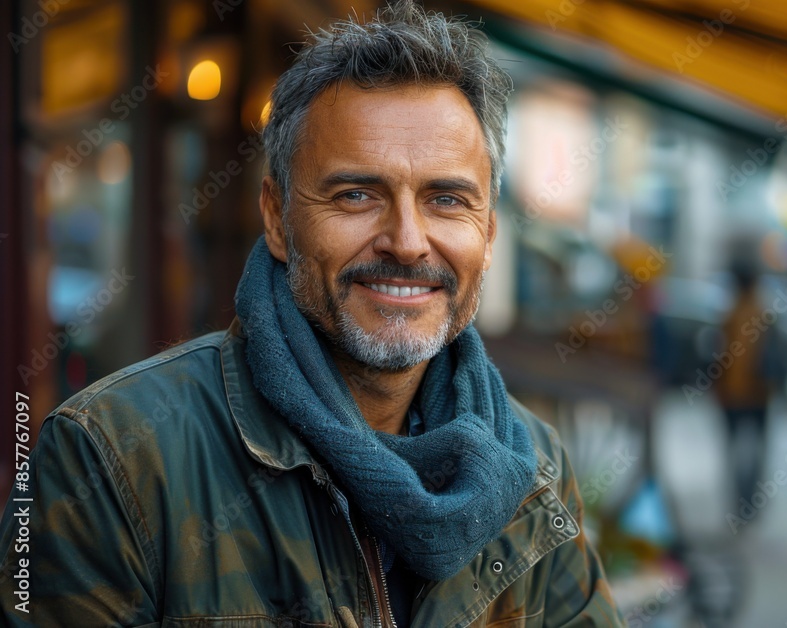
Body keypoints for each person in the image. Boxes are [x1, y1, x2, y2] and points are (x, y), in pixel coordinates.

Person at [0, 3, 623, 625]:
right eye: (356, 195)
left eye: (445, 199)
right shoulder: (111, 458)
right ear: (276, 217)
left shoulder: (533, 468)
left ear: (487, 234)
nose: (406, 241)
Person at [716, 269, 771, 513]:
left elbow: (720, 356)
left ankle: (741, 500)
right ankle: (751, 500)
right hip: (760, 392)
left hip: (733, 394)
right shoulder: (763, 314)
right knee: (756, 449)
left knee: (736, 450)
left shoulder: (730, 315)